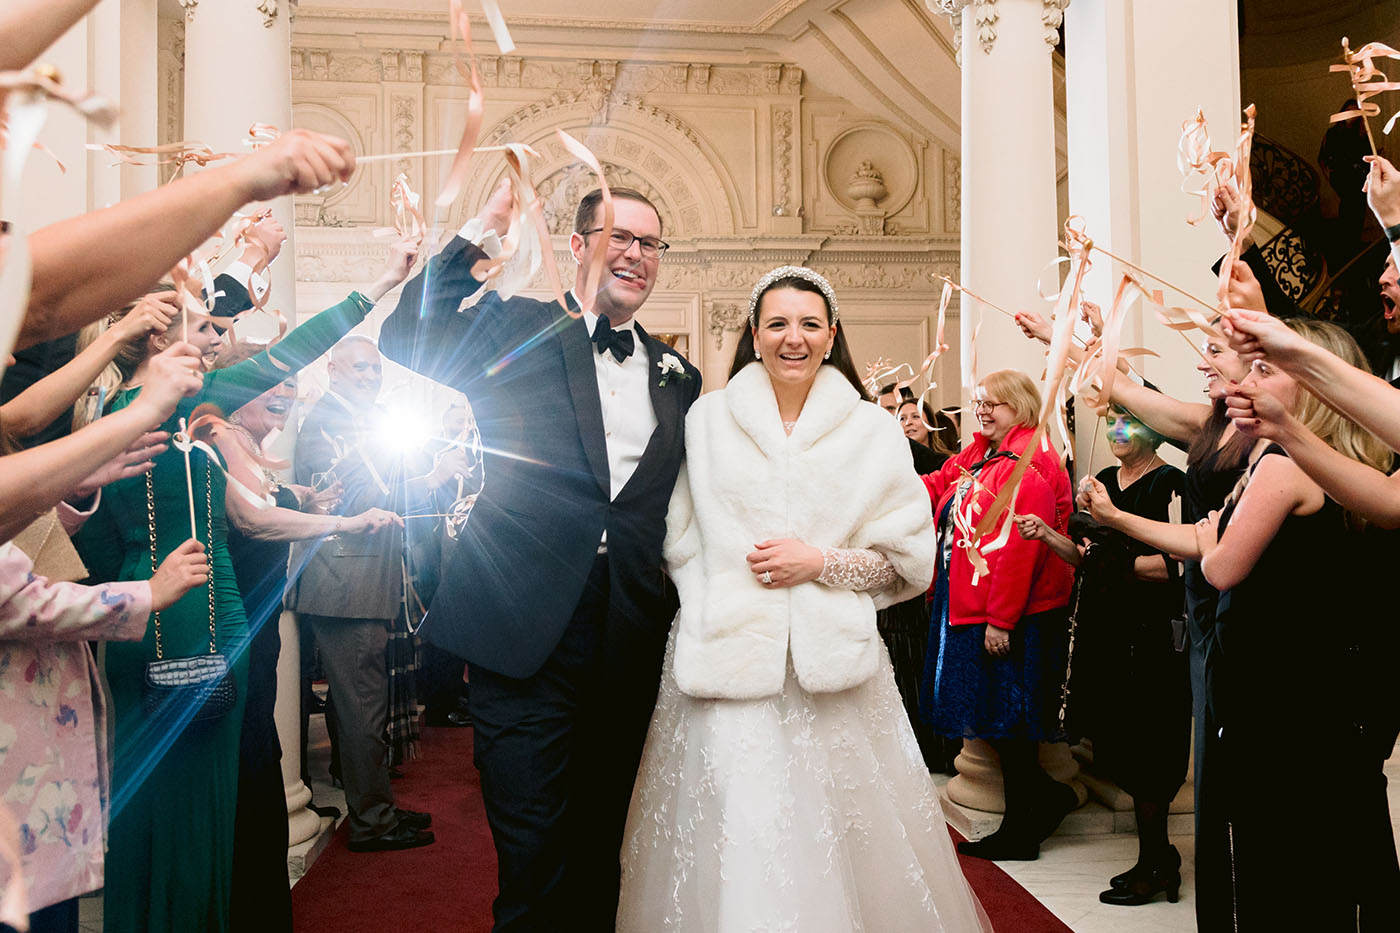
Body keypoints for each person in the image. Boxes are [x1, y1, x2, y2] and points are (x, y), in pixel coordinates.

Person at [617, 266, 989, 930]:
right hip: (724, 666)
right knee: (737, 835)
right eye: (779, 323)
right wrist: (718, 595)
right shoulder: (706, 422)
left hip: (834, 677)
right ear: (755, 335)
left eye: (811, 324)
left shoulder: (873, 433)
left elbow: (907, 561)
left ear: (832, 334)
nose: (795, 338)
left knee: (847, 843)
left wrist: (821, 563)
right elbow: (676, 538)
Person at [380, 179, 702, 929]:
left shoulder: (677, 376)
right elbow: (409, 337)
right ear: (578, 247)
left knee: (600, 844)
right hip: (521, 628)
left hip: (625, 631)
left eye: (649, 243)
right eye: (620, 236)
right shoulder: (521, 327)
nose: (636, 254)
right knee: (531, 846)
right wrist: (480, 230)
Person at [72, 281, 395, 933]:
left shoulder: (118, 412)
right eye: (208, 329)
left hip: (166, 614)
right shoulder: (177, 407)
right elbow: (290, 354)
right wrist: (380, 283)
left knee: (176, 809)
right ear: (161, 336)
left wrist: (343, 524)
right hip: (189, 617)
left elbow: (237, 517)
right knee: (193, 815)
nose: (219, 343)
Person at [204, 233, 417, 925]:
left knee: (261, 758)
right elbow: (255, 521)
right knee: (252, 763)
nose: (286, 403)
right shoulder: (209, 429)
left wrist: (306, 499)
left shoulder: (246, 444)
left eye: (289, 393)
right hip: (226, 626)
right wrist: (381, 280)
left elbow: (274, 504)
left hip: (254, 625)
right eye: (274, 392)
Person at [1194, 319, 1397, 928]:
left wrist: (1208, 541)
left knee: (1282, 856)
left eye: (1264, 369)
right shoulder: (1350, 462)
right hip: (1338, 688)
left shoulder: (1286, 466)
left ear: (1314, 388)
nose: (1246, 379)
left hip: (1284, 693)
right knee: (1342, 844)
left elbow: (1224, 568)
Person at [287, 335, 461, 853]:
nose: (369, 378)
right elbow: (349, 501)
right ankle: (372, 821)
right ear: (333, 370)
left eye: (375, 370)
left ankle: (374, 806)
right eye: (359, 369)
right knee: (363, 705)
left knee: (360, 705)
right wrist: (430, 477)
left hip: (357, 579)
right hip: (345, 580)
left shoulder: (356, 420)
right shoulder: (325, 422)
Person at [1018, 405, 1190, 905]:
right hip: (1107, 634)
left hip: (1153, 637)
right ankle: (1156, 858)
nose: (1118, 430)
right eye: (1112, 421)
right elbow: (1088, 557)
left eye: (1129, 421)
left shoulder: (1170, 485)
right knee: (1117, 743)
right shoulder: (1105, 481)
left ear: (1154, 429)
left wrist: (1122, 566)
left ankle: (1157, 862)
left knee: (1150, 748)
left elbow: (1179, 564)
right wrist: (1049, 535)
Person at [919, 370, 1077, 862]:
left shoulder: (1030, 460)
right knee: (992, 719)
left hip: (1013, 613)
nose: (982, 410)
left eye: (995, 403)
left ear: (1022, 406)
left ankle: (1023, 828)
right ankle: (1043, 802)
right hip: (971, 604)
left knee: (1010, 723)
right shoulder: (981, 453)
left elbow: (1017, 550)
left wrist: (1001, 620)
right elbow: (935, 486)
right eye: (979, 401)